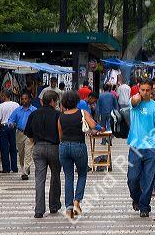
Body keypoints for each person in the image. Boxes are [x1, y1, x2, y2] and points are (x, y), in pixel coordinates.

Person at [58, 91, 103, 219]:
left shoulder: (61, 116)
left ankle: (68, 208)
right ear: (77, 101)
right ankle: (77, 201)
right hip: (78, 145)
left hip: (64, 147)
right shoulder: (82, 113)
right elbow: (93, 125)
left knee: (68, 177)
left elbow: (60, 134)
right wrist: (101, 128)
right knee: (82, 173)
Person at [128, 79, 155, 218]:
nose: (145, 93)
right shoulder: (134, 104)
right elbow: (133, 101)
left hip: (151, 148)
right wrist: (137, 96)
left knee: (149, 179)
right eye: (142, 90)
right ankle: (136, 198)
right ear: (139, 90)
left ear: (152, 91)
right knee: (132, 179)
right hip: (135, 147)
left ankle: (144, 206)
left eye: (147, 90)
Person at [24, 91, 62, 218]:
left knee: (39, 179)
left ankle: (39, 210)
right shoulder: (58, 114)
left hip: (38, 147)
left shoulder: (33, 114)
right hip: (54, 148)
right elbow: (61, 133)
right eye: (55, 101)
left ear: (42, 101)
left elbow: (29, 134)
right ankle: (54, 205)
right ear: (52, 102)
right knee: (55, 177)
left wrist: (36, 143)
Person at [8, 91, 37, 180]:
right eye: (22, 99)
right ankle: (24, 168)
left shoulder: (34, 110)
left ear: (29, 99)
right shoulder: (17, 110)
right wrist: (11, 124)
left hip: (30, 134)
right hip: (20, 133)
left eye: (26, 99)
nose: (24, 100)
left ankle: (25, 172)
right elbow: (11, 119)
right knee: (21, 153)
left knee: (28, 152)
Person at [0, 90, 20, 173]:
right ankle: (15, 168)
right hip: (13, 127)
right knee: (13, 148)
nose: (1, 97)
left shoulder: (1, 106)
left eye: (1, 96)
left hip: (4, 127)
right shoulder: (16, 104)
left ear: (4, 96)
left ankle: (6, 168)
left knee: (4, 149)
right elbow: (18, 116)